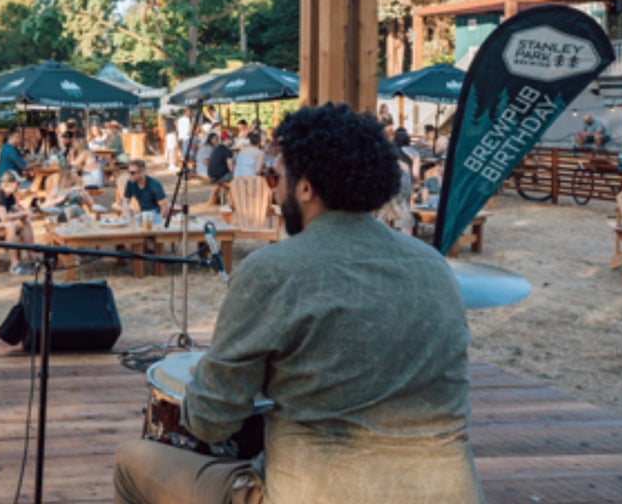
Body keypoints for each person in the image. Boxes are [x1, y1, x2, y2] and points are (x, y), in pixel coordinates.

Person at [112, 103, 482, 504]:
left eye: (278, 176)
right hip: (448, 493)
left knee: (132, 461)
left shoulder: (272, 270)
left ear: (306, 188)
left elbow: (210, 421)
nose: (274, 187)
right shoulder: (434, 266)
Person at [0, 170, 36, 273]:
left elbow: (18, 211)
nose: (18, 185)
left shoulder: (9, 195)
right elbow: (5, 217)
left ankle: (33, 260)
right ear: (7, 184)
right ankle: (14, 265)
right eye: (16, 183)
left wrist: (27, 214)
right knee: (10, 225)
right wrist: (23, 214)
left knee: (25, 222)